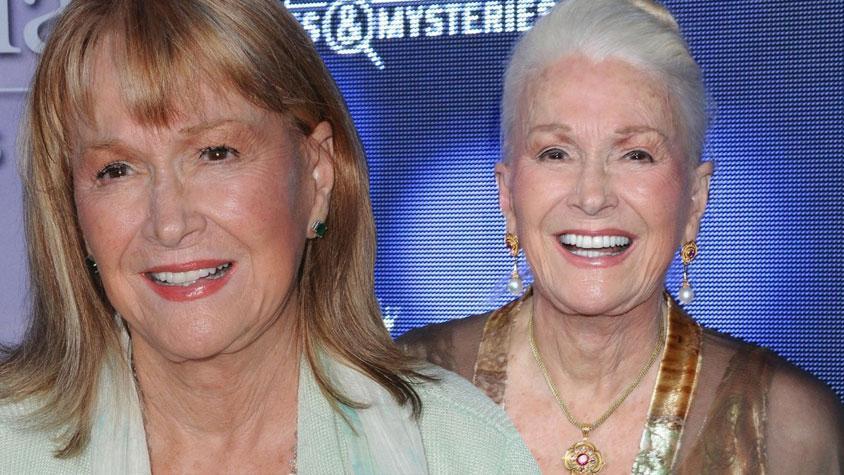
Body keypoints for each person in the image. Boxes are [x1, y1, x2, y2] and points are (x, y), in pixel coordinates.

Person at [0, 0, 538, 472]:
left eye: (216, 153)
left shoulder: (458, 452)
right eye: (116, 169)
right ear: (73, 211)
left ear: (317, 175)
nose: (168, 222)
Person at [400, 0, 843, 473]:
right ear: (508, 196)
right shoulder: (400, 393)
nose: (592, 196)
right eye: (555, 153)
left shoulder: (789, 431)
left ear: (694, 200)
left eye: (636, 155)